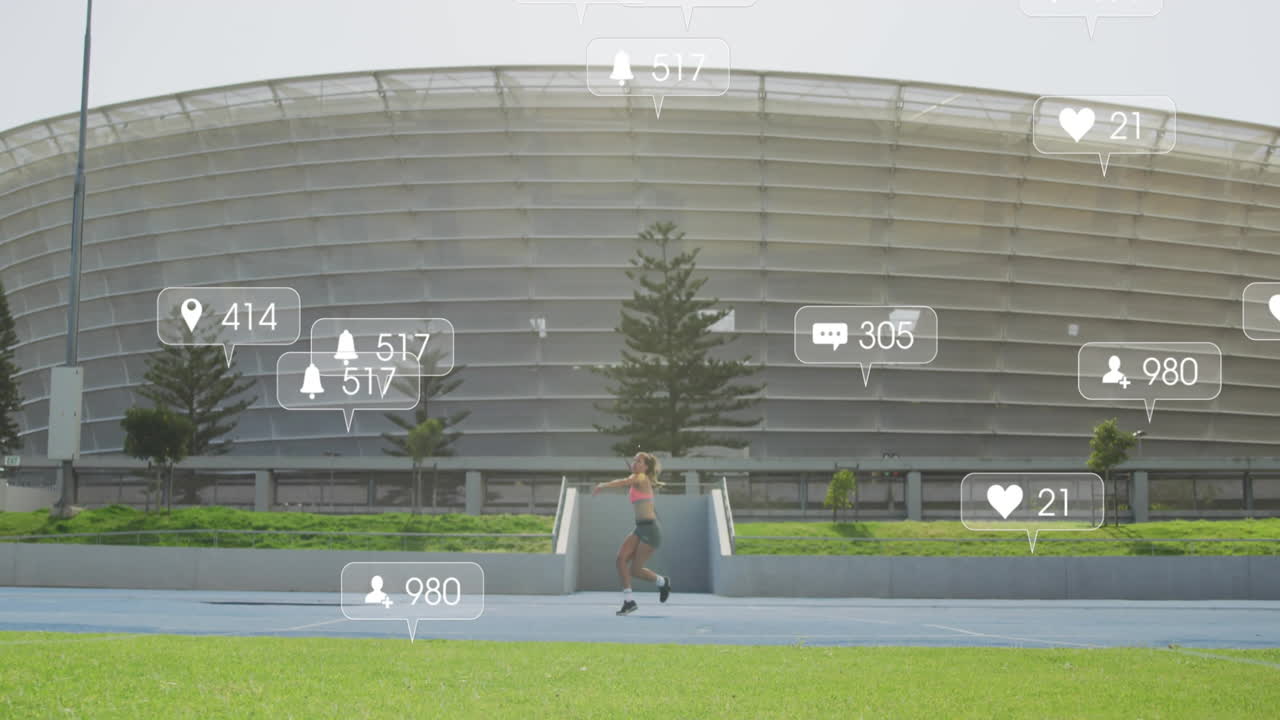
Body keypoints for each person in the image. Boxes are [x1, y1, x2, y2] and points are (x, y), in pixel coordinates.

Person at [592, 451, 672, 615]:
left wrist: (603, 485)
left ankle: (662, 582)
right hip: (639, 527)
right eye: (634, 460)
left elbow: (624, 481)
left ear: (645, 466)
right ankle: (629, 602)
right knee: (621, 559)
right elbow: (628, 480)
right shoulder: (637, 478)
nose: (635, 463)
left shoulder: (641, 477)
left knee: (635, 570)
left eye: (639, 461)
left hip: (650, 529)